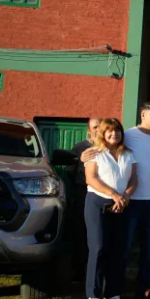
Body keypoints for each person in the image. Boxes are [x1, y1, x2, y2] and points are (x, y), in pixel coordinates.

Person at [84, 118, 136, 299]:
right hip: (98, 203)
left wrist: (125, 197)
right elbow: (91, 178)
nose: (114, 134)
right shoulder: (94, 153)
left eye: (118, 131)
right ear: (103, 133)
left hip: (122, 205)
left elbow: (134, 180)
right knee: (98, 248)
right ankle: (93, 296)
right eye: (110, 131)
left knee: (119, 250)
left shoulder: (128, 154)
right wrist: (114, 195)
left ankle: (113, 294)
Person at [122, 101, 150, 299]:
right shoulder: (128, 135)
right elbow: (109, 151)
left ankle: (143, 288)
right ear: (143, 115)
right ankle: (117, 288)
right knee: (125, 246)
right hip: (132, 201)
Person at [69, 117, 101, 280]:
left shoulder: (109, 147)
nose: (98, 129)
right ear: (88, 130)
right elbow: (70, 171)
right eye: (95, 127)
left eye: (101, 126)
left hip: (104, 195)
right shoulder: (80, 147)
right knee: (81, 234)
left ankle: (98, 272)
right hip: (83, 194)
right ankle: (79, 271)